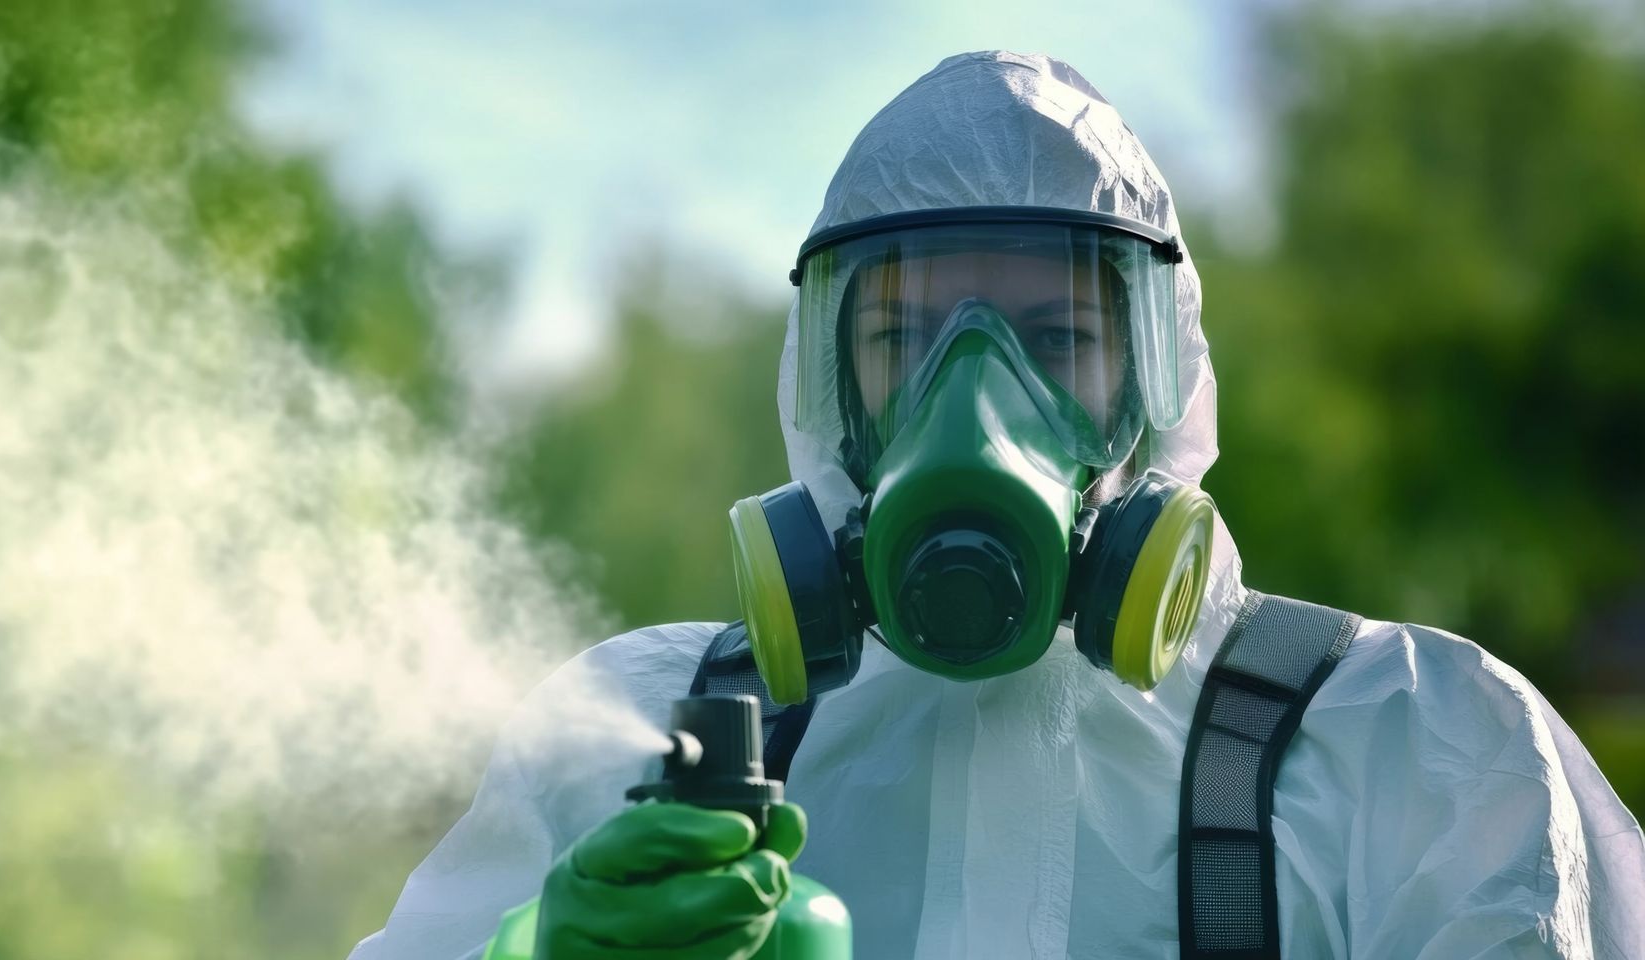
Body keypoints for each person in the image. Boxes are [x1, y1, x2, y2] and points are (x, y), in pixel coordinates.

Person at [352, 51, 1644, 959]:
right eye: (907, 337)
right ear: (833, 386)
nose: (974, 399)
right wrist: (526, 955)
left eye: (1056, 336)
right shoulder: (641, 750)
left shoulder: (1414, 753)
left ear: (1159, 373)